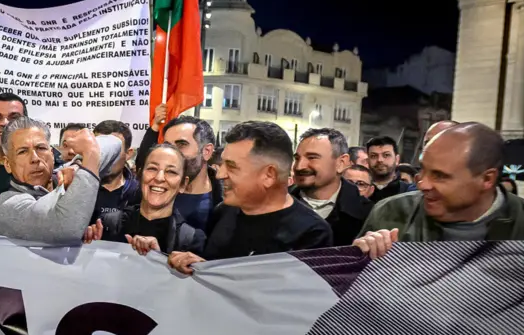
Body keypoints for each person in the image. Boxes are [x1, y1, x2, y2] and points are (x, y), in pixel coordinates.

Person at [353, 121, 524, 261]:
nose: (423, 184)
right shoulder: (388, 214)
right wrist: (359, 256)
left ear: (487, 179)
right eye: (424, 171)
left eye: (440, 176)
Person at [168, 121, 333, 275]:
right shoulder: (223, 212)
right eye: (223, 163)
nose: (220, 174)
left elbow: (289, 299)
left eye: (232, 166)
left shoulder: (312, 234)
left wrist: (214, 275)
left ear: (269, 175)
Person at [0, 120, 119, 243]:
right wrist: (89, 159)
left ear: (52, 155)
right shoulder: (7, 206)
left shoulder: (66, 173)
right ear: (8, 164)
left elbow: (115, 142)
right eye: (22, 152)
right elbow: (66, 227)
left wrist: (77, 168)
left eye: (41, 148)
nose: (35, 158)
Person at [92, 143, 205, 255]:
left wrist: (158, 259)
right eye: (152, 168)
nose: (159, 178)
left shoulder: (192, 240)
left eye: (171, 172)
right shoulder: (108, 224)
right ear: (140, 175)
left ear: (183, 184)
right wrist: (90, 246)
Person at [291, 127, 373, 246]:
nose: (299, 166)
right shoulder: (275, 204)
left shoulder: (369, 213)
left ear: (341, 163)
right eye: (297, 158)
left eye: (312, 157)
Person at [144, 115, 223, 233]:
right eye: (168, 145)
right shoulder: (149, 191)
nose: (171, 153)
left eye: (181, 145)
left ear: (207, 151)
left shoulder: (230, 201)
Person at [90, 120, 140, 230]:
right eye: (102, 149)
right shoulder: (79, 189)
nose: (108, 157)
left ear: (128, 153)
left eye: (115, 150)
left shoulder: (139, 193)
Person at [365, 135, 414, 203]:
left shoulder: (408, 192)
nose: (380, 160)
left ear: (397, 159)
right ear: (367, 161)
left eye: (386, 155)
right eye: (373, 156)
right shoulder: (360, 190)